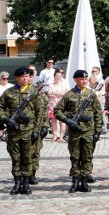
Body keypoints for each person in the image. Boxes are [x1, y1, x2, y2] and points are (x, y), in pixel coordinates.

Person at [0, 67, 47, 195]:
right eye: (23, 77)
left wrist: (37, 130)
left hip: (29, 131)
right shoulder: (9, 93)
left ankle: (26, 183)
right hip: (14, 131)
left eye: (27, 76)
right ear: (17, 78)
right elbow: (1, 107)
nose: (26, 79)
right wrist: (5, 119)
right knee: (16, 158)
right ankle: (17, 183)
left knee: (27, 158)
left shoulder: (35, 93)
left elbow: (40, 112)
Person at [54, 70, 103, 193]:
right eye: (81, 79)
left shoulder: (91, 94)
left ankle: (85, 181)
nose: (84, 81)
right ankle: (76, 181)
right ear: (75, 80)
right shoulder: (69, 95)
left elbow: (98, 114)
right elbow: (57, 111)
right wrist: (68, 120)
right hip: (75, 132)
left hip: (88, 131)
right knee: (75, 157)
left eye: (86, 79)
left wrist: (98, 131)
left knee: (87, 157)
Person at [48, 70, 70, 143]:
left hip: (62, 105)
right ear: (54, 76)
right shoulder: (51, 84)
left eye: (60, 76)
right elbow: (49, 94)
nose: (58, 77)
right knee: (53, 121)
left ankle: (61, 136)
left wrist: (54, 93)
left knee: (62, 121)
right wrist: (59, 93)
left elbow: (65, 93)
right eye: (57, 76)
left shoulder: (64, 84)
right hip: (53, 105)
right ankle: (54, 136)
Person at [0, 71, 13, 141]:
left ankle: (8, 134)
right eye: (4, 78)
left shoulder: (11, 86)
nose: (5, 80)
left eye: (7, 78)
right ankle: (1, 135)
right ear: (0, 79)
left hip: (9, 107)